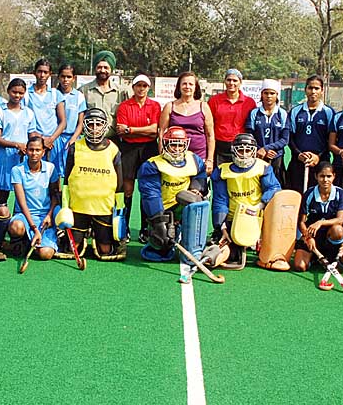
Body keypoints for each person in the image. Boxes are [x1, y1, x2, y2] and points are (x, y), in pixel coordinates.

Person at [209, 133, 281, 269]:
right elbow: (220, 200)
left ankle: (265, 245)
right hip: (234, 219)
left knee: (269, 251)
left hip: (257, 216)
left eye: (248, 150)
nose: (244, 154)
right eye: (241, 150)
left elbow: (274, 188)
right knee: (229, 250)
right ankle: (215, 257)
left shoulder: (263, 167)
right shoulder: (222, 171)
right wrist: (221, 226)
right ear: (234, 151)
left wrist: (259, 205)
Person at [137, 126, 208, 262]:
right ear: (165, 145)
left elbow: (200, 176)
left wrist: (196, 189)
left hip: (184, 205)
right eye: (173, 145)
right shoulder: (153, 165)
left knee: (196, 203)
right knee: (161, 241)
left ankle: (191, 240)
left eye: (180, 145)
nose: (177, 149)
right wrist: (159, 221)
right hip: (164, 209)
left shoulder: (194, 159)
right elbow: (151, 194)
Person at [64, 108, 125, 261]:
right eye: (91, 124)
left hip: (103, 207)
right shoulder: (75, 147)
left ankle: (98, 236)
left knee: (105, 250)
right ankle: (83, 235)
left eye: (98, 124)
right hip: (79, 206)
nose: (94, 128)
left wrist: (120, 208)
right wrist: (65, 206)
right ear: (85, 125)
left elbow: (120, 184)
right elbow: (66, 181)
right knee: (73, 248)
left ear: (105, 126)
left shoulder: (113, 149)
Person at [115, 74, 161, 242]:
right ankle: (124, 228)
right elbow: (121, 131)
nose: (141, 89)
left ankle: (145, 229)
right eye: (138, 85)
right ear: (133, 87)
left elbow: (154, 130)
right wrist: (142, 130)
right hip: (129, 149)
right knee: (127, 189)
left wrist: (131, 130)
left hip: (149, 148)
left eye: (144, 86)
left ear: (148, 88)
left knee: (146, 189)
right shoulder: (124, 106)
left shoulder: (155, 105)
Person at [0, 78, 38, 208]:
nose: (17, 95)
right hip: (5, 157)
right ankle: (0, 219)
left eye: (21, 93)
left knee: (23, 192)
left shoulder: (28, 113)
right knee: (2, 195)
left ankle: (20, 219)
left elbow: (32, 135)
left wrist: (30, 147)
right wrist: (16, 145)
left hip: (23, 156)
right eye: (14, 92)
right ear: (8, 91)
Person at [7, 137, 61, 260]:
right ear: (26, 151)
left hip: (44, 217)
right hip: (24, 215)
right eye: (31, 150)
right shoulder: (17, 170)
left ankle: (35, 243)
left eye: (38, 150)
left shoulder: (51, 168)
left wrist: (49, 215)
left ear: (43, 152)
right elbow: (22, 203)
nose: (34, 153)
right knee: (16, 227)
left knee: (45, 254)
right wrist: (34, 228)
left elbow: (55, 195)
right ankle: (22, 241)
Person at [294, 161, 343, 272]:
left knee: (338, 230)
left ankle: (331, 257)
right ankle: (314, 257)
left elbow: (340, 219)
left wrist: (320, 222)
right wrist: (308, 237)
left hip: (330, 234)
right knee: (300, 266)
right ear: (316, 176)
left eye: (329, 176)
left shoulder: (340, 193)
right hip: (312, 235)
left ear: (334, 176)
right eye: (322, 176)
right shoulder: (309, 194)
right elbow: (301, 222)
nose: (325, 180)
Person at [159, 71, 215, 174]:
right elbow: (162, 132)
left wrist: (210, 160)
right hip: (174, 156)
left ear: (195, 87)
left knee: (197, 184)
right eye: (184, 84)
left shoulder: (204, 106)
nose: (187, 87)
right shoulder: (169, 106)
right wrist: (162, 154)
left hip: (199, 156)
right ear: (179, 86)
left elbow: (210, 135)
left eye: (191, 84)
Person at [287, 75, 334, 194]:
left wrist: (318, 156)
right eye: (310, 88)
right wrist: (298, 154)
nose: (313, 91)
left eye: (317, 88)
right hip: (298, 161)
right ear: (305, 90)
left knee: (318, 196)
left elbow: (332, 139)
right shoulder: (295, 111)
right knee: (296, 196)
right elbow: (290, 137)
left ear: (322, 91)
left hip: (320, 162)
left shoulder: (329, 112)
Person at [24, 58, 67, 173]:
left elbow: (63, 122)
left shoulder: (55, 94)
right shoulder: (26, 94)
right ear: (34, 73)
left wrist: (51, 139)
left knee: (54, 174)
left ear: (50, 74)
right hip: (34, 143)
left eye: (45, 72)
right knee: (34, 174)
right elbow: (24, 120)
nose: (42, 75)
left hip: (53, 142)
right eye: (39, 71)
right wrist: (40, 139)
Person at [207, 69, 256, 166]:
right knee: (219, 174)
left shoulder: (249, 102)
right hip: (219, 146)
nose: (231, 83)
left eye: (235, 80)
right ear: (224, 81)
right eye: (229, 80)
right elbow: (209, 125)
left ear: (240, 82)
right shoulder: (214, 101)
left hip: (241, 146)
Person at [247, 79, 289, 187]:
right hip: (258, 156)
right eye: (266, 93)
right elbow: (250, 136)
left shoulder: (282, 113)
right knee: (257, 187)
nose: (269, 96)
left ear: (277, 95)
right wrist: (259, 150)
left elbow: (285, 139)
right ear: (261, 94)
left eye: (272, 93)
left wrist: (266, 149)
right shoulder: (254, 113)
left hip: (276, 158)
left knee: (276, 188)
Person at [80, 50, 128, 140]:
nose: (102, 70)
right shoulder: (84, 90)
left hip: (114, 140)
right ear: (95, 68)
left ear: (111, 69)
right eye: (99, 67)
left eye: (106, 67)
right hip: (90, 139)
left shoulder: (121, 92)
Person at [55, 63, 87, 177]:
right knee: (55, 172)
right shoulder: (53, 94)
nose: (65, 80)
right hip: (56, 139)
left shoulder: (79, 96)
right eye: (63, 76)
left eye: (69, 77)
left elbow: (80, 123)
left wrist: (73, 139)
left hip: (72, 138)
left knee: (71, 171)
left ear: (74, 78)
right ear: (58, 77)